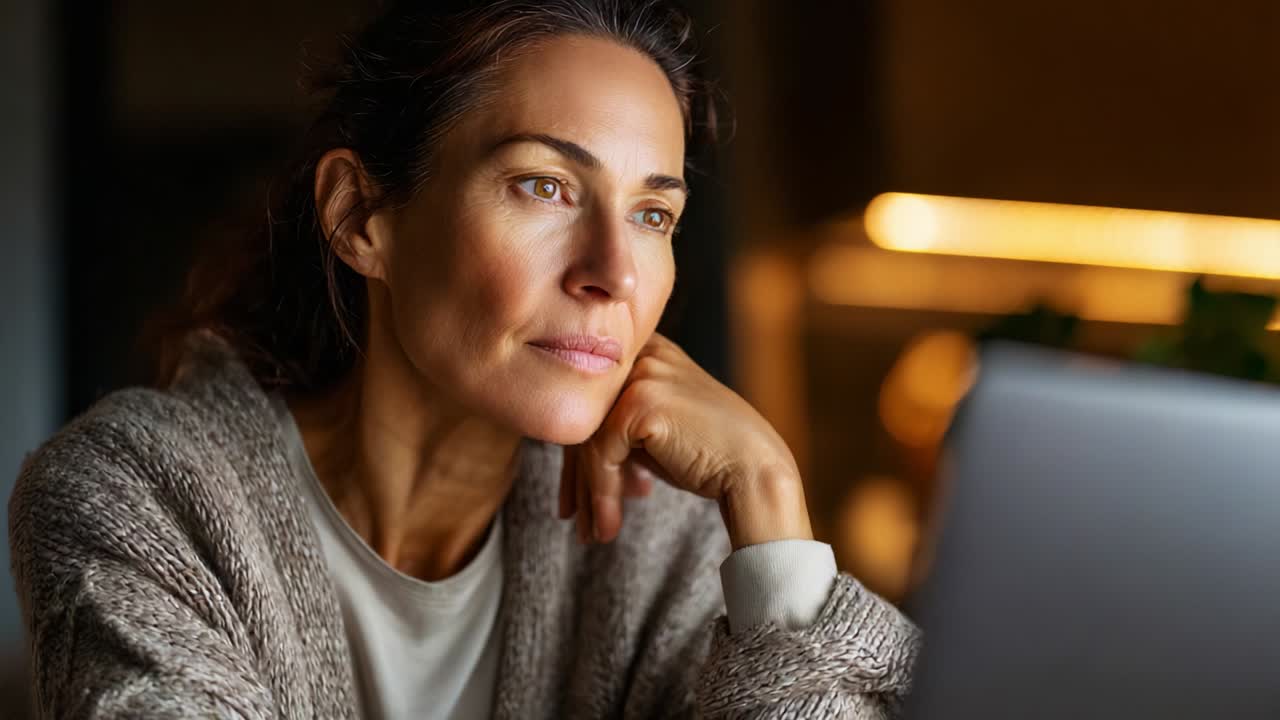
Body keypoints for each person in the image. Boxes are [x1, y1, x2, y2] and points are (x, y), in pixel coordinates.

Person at [9, 1, 919, 717]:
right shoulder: (137, 495)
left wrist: (768, 496)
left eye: (653, 214)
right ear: (362, 216)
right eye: (544, 186)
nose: (612, 274)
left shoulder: (669, 540)